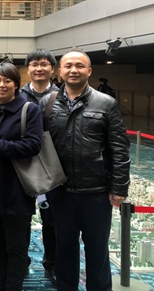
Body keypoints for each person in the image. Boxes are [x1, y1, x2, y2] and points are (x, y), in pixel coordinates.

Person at [44, 50, 130, 291]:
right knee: (64, 249)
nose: (74, 70)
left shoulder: (106, 103)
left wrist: (119, 187)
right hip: (61, 191)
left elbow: (119, 148)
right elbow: (41, 145)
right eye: (68, 65)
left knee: (97, 251)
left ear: (89, 71)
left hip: (97, 192)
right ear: (60, 71)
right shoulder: (48, 103)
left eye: (80, 66)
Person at [0, 61, 43, 291]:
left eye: (7, 81)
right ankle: (0, 285)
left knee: (16, 246)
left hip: (17, 189)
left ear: (16, 84)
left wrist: (0, 145)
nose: (1, 85)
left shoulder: (29, 109)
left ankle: (13, 287)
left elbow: (34, 145)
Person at [19, 49, 59, 285]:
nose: (39, 68)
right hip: (22, 162)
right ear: (28, 69)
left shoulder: (62, 95)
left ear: (52, 69)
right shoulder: (18, 95)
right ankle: (21, 261)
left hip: (52, 165)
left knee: (51, 219)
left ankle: (51, 263)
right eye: (34, 64)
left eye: (44, 64)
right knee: (21, 217)